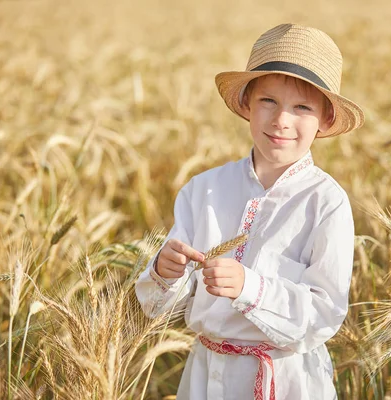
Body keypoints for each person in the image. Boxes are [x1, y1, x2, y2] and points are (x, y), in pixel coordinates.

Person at [135, 23, 364, 400]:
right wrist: (164, 271)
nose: (281, 120)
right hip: (206, 377)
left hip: (288, 380)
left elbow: (325, 313)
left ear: (325, 120)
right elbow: (157, 309)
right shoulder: (203, 190)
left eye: (302, 107)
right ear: (246, 104)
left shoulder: (326, 202)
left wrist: (250, 288)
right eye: (268, 101)